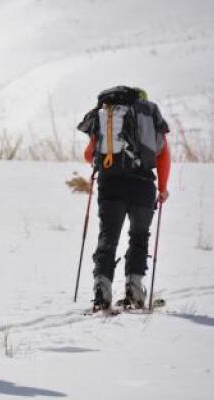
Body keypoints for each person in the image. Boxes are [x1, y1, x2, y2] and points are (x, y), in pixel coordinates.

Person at [77, 86, 170, 311]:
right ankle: (134, 291)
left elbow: (89, 155)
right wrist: (163, 188)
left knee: (108, 238)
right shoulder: (148, 116)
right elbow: (163, 155)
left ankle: (102, 291)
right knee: (139, 237)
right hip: (143, 186)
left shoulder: (106, 115)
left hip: (110, 186)